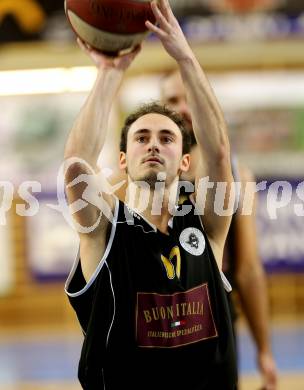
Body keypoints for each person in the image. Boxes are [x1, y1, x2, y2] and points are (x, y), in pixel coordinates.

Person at [64, 1, 237, 388]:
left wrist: (186, 57)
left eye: (167, 138)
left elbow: (220, 153)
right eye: (141, 138)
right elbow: (76, 165)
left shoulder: (208, 224)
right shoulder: (105, 231)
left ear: (186, 161)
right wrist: (109, 72)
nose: (153, 145)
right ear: (123, 160)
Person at [160, 70, 278, 389]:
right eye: (173, 100)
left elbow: (249, 270)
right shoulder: (142, 177)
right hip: (155, 321)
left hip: (214, 319)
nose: (183, 108)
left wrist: (264, 349)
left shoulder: (238, 176)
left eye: (191, 98)